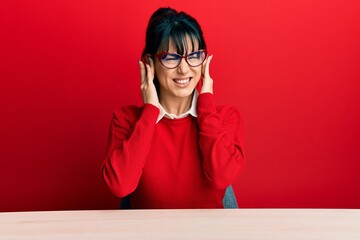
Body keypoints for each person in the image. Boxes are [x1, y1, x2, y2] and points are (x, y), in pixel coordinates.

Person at [102, 7, 245, 208]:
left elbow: (222, 177)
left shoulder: (225, 117)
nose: (184, 69)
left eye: (194, 56)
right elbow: (120, 185)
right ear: (150, 63)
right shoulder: (126, 121)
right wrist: (150, 112)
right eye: (171, 58)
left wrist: (205, 104)